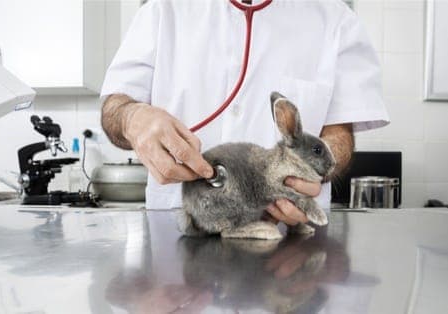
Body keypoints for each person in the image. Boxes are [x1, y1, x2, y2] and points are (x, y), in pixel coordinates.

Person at [100, 0, 389, 226]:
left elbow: (339, 135)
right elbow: (116, 108)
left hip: (287, 240)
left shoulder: (335, 20)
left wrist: (311, 172)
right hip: (179, 229)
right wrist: (131, 118)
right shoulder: (161, 12)